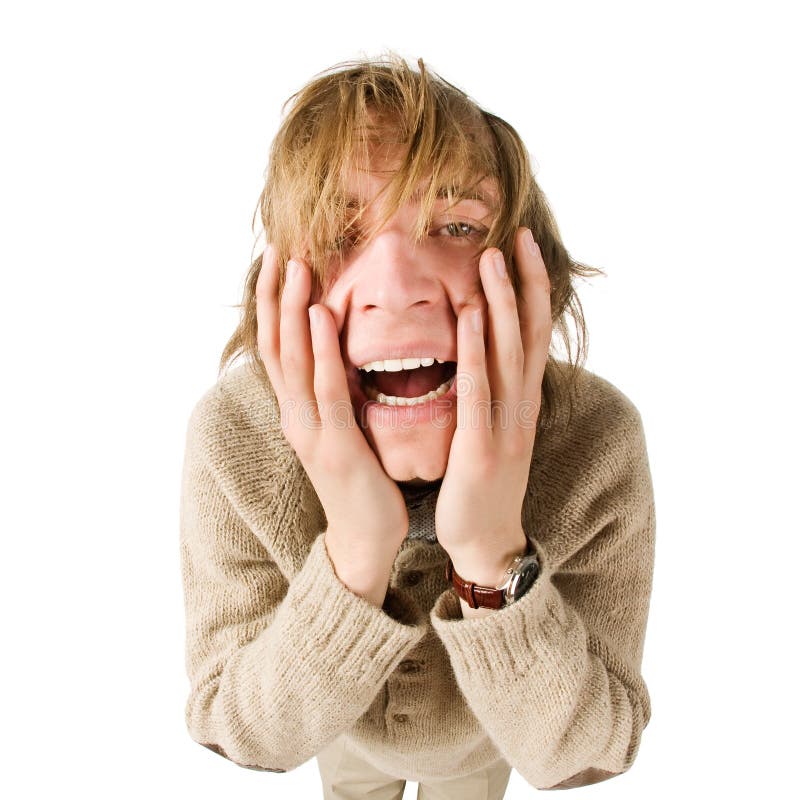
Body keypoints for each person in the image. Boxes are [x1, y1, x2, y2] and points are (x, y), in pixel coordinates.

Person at [179, 54, 656, 799]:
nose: (395, 290)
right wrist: (355, 551)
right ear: (275, 296)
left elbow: (587, 754)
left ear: (532, 280)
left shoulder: (598, 441)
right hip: (340, 736)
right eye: (340, 235)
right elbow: (240, 733)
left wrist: (493, 554)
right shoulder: (232, 438)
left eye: (459, 223)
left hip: (484, 748)